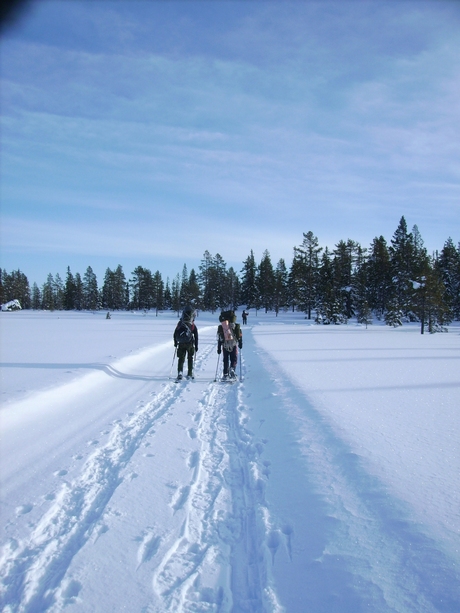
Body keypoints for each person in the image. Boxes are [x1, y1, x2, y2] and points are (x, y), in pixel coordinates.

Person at [174, 305, 198, 380]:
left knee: (181, 358)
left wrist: (175, 343)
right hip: (190, 344)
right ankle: (190, 373)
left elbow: (175, 333)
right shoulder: (192, 325)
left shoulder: (180, 323)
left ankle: (180, 372)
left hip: (181, 344)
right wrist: (196, 346)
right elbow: (196, 335)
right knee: (190, 358)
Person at [217, 310, 242, 379]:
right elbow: (239, 336)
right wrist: (240, 343)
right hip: (233, 344)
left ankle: (225, 374)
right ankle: (232, 369)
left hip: (225, 345)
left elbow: (219, 338)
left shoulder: (221, 327)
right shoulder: (236, 326)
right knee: (234, 358)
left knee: (225, 359)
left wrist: (219, 348)